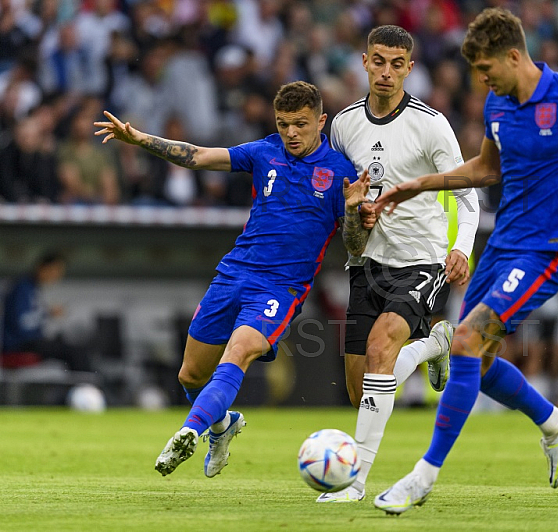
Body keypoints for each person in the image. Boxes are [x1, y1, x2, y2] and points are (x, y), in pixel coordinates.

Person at [370, 8, 558, 513]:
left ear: (514, 55)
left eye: (487, 70)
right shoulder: (497, 103)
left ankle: (422, 477)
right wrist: (417, 185)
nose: (482, 81)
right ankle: (555, 424)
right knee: (478, 363)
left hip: (544, 253)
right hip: (501, 247)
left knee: (464, 342)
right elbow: (487, 169)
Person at [93, 81, 368, 477]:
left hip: (281, 287)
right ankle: (222, 425)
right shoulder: (265, 151)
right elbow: (198, 156)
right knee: (190, 374)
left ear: (321, 121)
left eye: (301, 125)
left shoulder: (340, 171)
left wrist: (356, 212)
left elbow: (355, 245)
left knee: (237, 352)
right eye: (284, 123)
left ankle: (189, 431)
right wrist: (139, 139)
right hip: (234, 273)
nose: (291, 133)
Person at [316, 25, 480, 503]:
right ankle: (436, 344)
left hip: (424, 261)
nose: (386, 72)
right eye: (378, 61)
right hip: (366, 263)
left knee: (381, 350)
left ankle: (354, 481)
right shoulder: (344, 124)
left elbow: (468, 196)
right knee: (359, 387)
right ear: (364, 62)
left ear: (410, 68)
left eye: (397, 64)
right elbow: (343, 191)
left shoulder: (431, 124)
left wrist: (461, 249)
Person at [1, 252, 91, 373]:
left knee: (74, 346)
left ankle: (84, 385)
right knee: (75, 352)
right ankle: (84, 388)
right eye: (54, 270)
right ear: (42, 267)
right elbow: (22, 322)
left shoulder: (32, 288)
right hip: (18, 344)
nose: (56, 276)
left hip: (29, 341)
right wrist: (48, 313)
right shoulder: (22, 288)